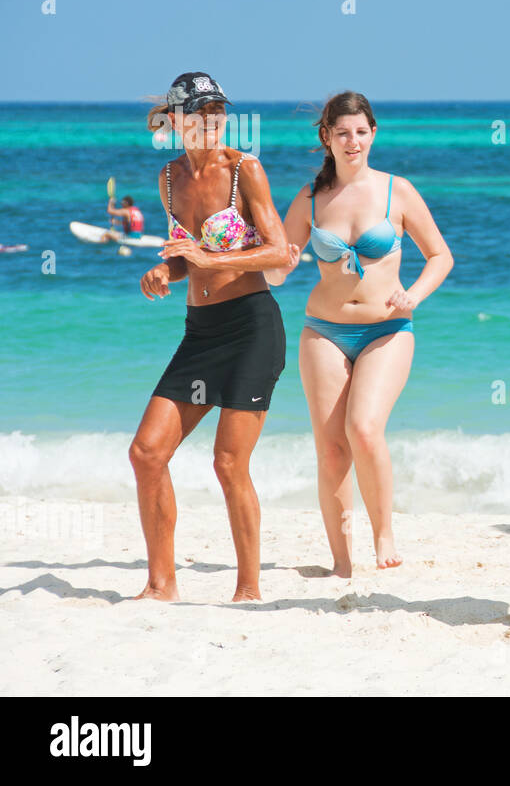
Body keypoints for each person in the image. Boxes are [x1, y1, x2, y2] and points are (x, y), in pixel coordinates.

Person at [265, 91, 453, 576]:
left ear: (374, 134)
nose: (353, 141)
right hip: (322, 331)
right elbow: (278, 269)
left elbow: (440, 256)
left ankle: (383, 530)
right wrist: (275, 265)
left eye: (361, 132)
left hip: (387, 329)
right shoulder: (310, 198)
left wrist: (414, 293)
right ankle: (341, 562)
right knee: (330, 449)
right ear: (326, 137)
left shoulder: (398, 190)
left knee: (364, 430)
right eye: (342, 132)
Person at [128, 72, 290, 602]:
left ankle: (248, 588)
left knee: (227, 462)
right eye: (200, 111)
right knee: (147, 453)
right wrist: (165, 273)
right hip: (200, 332)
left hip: (251, 328)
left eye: (219, 109)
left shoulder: (245, 169)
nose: (213, 119)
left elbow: (279, 251)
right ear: (176, 120)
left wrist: (210, 256)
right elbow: (186, 259)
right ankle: (161, 584)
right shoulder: (169, 178)